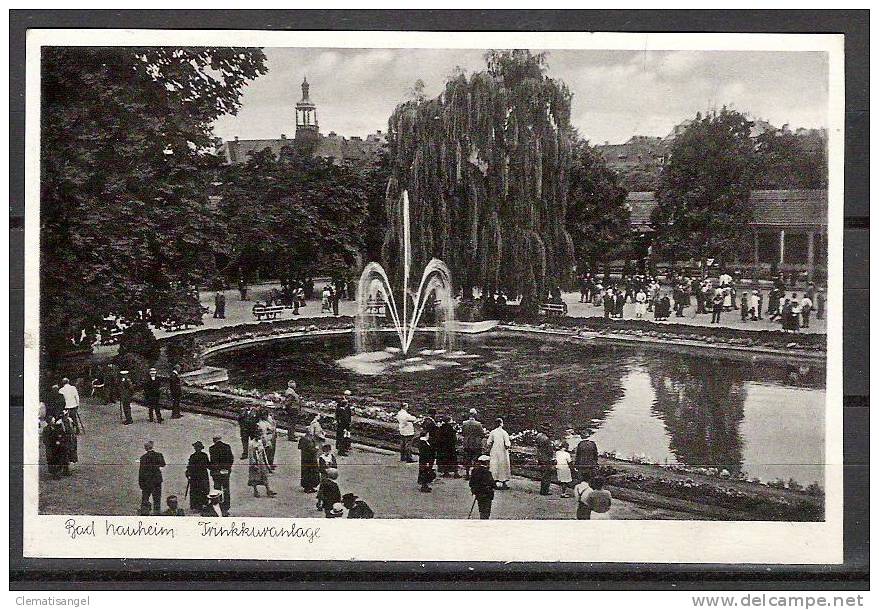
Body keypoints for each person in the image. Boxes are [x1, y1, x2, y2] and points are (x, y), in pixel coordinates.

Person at [208, 435, 234, 516]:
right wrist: (228, 468)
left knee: (217, 489)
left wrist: (212, 469)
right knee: (226, 488)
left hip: (216, 472)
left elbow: (212, 461)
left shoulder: (212, 448)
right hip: (225, 471)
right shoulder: (227, 446)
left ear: (214, 440)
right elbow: (231, 459)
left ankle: (218, 505)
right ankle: (226, 506)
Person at [138, 441, 166, 515]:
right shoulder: (159, 455)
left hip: (146, 481)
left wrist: (140, 483)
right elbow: (163, 464)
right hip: (157, 481)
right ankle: (157, 513)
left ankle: (144, 513)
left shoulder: (143, 457)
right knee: (157, 499)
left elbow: (141, 472)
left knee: (145, 498)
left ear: (146, 448)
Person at [185, 440, 211, 512]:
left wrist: (188, 473)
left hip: (196, 476)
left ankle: (197, 505)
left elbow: (189, 466)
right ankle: (201, 505)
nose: (196, 448)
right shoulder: (203, 455)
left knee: (197, 490)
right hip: (200, 476)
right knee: (201, 490)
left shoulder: (193, 456)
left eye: (197, 447)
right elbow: (208, 465)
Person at [487, 418, 511, 490]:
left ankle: (493, 482)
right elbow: (507, 444)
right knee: (503, 466)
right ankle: (503, 483)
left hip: (494, 451)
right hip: (502, 452)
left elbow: (488, 443)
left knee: (494, 465)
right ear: (501, 424)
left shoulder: (493, 432)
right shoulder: (504, 433)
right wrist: (507, 446)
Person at [469, 455, 496, 519]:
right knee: (486, 510)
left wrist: (474, 490)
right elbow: (492, 483)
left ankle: (482, 518)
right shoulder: (487, 472)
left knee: (481, 508)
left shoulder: (474, 471)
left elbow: (471, 483)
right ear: (486, 462)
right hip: (487, 494)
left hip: (478, 494)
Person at [460, 409, 485, 479]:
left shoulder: (464, 423)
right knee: (476, 458)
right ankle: (475, 474)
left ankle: (467, 474)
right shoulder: (478, 424)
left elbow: (463, 433)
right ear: (475, 415)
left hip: (467, 443)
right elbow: (482, 434)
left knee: (467, 458)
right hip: (475, 444)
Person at [534, 423, 554, 496]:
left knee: (543, 474)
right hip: (546, 458)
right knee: (547, 475)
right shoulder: (547, 439)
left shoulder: (538, 436)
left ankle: (543, 489)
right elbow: (550, 451)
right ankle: (545, 490)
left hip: (540, 456)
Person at [334, 391, 353, 456]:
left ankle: (345, 447)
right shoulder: (341, 405)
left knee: (346, 436)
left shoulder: (346, 405)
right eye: (348, 395)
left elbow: (348, 414)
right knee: (342, 437)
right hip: (342, 424)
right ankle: (341, 450)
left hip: (345, 424)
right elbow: (339, 415)